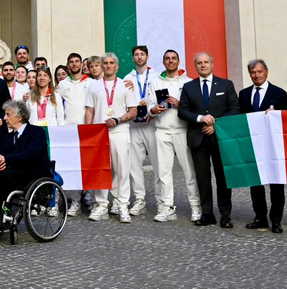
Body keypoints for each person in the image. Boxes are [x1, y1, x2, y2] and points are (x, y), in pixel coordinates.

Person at [178, 51, 239, 229]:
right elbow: (182, 111)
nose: (203, 65)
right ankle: (207, 214)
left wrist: (216, 125)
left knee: (223, 178)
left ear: (212, 64)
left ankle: (225, 215)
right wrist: (200, 118)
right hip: (198, 139)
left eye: (206, 62)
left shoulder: (226, 84)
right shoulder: (188, 87)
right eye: (199, 63)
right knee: (202, 178)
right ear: (195, 66)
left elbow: (235, 109)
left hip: (220, 138)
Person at [146, 49, 200, 223]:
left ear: (178, 61)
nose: (170, 61)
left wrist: (179, 104)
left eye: (173, 58)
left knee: (189, 171)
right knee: (163, 172)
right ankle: (167, 207)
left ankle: (195, 206)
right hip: (161, 131)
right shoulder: (155, 82)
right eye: (167, 59)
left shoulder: (188, 82)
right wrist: (153, 110)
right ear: (163, 62)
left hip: (182, 131)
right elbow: (149, 106)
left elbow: (195, 108)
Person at [85, 53, 137, 224]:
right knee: (101, 170)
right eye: (105, 63)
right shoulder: (93, 86)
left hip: (120, 131)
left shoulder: (125, 85)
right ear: (101, 66)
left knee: (122, 170)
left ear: (117, 66)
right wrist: (88, 132)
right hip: (99, 134)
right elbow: (90, 111)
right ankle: (101, 205)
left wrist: (118, 120)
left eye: (111, 63)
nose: (108, 65)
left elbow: (133, 111)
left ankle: (122, 205)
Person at [0, 99, 52, 233]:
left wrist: (5, 159)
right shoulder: (7, 135)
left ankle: (0, 216)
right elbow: (4, 156)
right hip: (15, 172)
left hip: (34, 173)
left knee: (3, 177)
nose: (4, 118)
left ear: (20, 117)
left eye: (8, 114)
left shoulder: (36, 132)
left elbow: (30, 155)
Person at [240, 59, 287, 233]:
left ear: (266, 72)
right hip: (253, 144)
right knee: (255, 183)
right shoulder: (244, 94)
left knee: (276, 183)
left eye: (259, 72)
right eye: (253, 72)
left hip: (273, 145)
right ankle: (260, 218)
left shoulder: (279, 93)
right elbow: (240, 118)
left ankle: (276, 220)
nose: (256, 75)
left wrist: (278, 114)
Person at [122, 45, 159, 217]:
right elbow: (123, 100)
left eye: (142, 54)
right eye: (136, 55)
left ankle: (161, 199)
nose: (139, 57)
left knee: (158, 163)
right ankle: (139, 199)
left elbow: (161, 99)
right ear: (133, 58)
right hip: (134, 126)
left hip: (152, 124)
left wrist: (151, 110)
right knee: (134, 164)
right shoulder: (127, 78)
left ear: (147, 57)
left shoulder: (156, 76)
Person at [55, 52, 93, 216]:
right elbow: (53, 100)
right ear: (68, 65)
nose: (74, 64)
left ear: (81, 64)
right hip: (69, 131)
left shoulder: (90, 82)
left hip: (87, 130)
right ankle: (74, 200)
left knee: (88, 166)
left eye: (77, 61)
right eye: (71, 62)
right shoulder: (63, 84)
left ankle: (91, 198)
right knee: (72, 167)